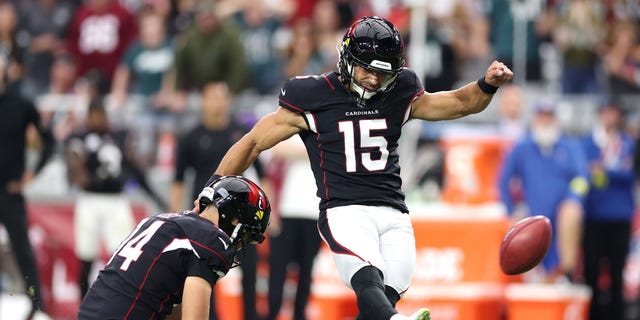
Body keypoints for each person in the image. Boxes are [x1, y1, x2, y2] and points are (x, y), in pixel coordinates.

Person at [209, 16, 513, 320]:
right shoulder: (313, 96)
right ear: (347, 58)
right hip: (345, 210)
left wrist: (486, 85)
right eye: (367, 68)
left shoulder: (401, 90)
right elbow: (253, 143)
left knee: (382, 298)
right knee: (367, 280)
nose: (374, 80)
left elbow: (459, 103)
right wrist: (213, 188)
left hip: (394, 211)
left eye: (383, 73)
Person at [78, 175, 271, 319]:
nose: (240, 243)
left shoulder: (165, 221)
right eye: (244, 234)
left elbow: (170, 309)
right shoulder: (211, 240)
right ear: (233, 217)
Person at [169, 82, 265, 320]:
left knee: (249, 270)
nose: (218, 103)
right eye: (212, 97)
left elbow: (260, 170)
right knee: (203, 272)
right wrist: (174, 217)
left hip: (238, 216)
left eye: (223, 97)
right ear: (202, 101)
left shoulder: (239, 133)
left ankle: (250, 316)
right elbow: (178, 180)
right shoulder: (192, 136)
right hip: (205, 218)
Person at [65, 100, 167, 299]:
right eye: (93, 114)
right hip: (89, 199)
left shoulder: (118, 137)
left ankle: (120, 304)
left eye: (100, 114)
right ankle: (84, 307)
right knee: (86, 256)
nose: (97, 119)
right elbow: (75, 171)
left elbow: (135, 169)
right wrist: (89, 176)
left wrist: (154, 196)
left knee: (123, 257)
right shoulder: (79, 137)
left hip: (115, 200)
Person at [498, 102, 589, 282]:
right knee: (530, 257)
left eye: (549, 117)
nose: (545, 121)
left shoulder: (570, 147)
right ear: (534, 119)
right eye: (542, 117)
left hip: (561, 214)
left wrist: (573, 199)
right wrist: (511, 210)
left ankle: (566, 273)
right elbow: (503, 180)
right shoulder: (522, 147)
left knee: (571, 216)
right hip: (533, 214)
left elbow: (582, 178)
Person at [0, 50, 55, 319]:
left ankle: (37, 306)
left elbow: (49, 140)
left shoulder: (20, 103)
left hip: (10, 192)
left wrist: (32, 174)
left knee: (23, 252)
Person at [580, 101, 636, 320]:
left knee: (617, 271)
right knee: (591, 270)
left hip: (620, 217)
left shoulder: (628, 143)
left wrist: (605, 172)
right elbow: (582, 172)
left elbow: (631, 174)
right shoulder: (589, 143)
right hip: (594, 216)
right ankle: (592, 314)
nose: (610, 117)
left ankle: (617, 315)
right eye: (606, 112)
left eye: (614, 112)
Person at [266, 136, 322, 320]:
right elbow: (277, 148)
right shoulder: (293, 129)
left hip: (314, 214)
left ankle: (300, 314)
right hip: (286, 212)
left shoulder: (326, 127)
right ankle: (273, 313)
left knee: (306, 271)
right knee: (277, 269)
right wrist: (318, 149)